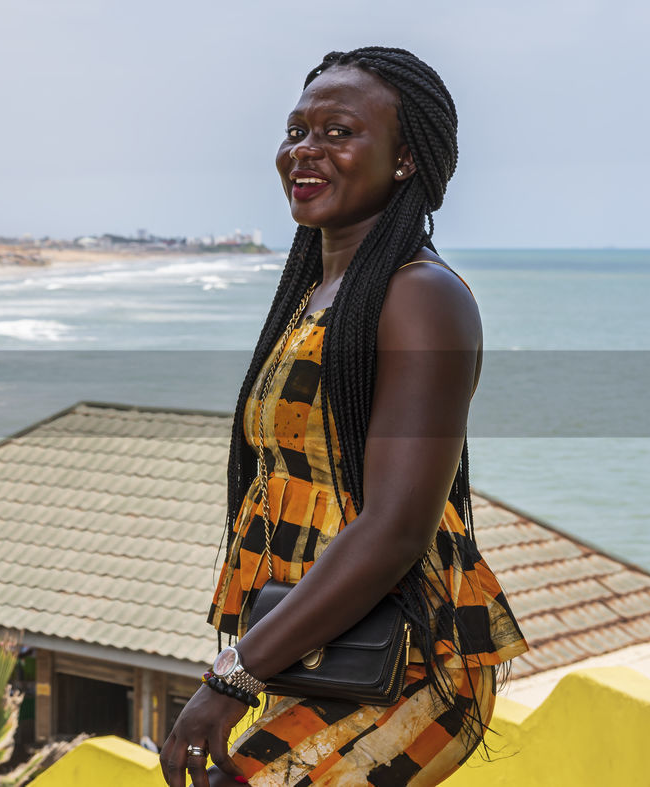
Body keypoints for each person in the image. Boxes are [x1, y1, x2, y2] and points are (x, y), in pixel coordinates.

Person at [160, 47, 529, 787]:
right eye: (297, 129)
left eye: (338, 131)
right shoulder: (321, 295)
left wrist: (230, 676)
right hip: (323, 645)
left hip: (411, 659)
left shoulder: (421, 296)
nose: (305, 149)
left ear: (404, 160)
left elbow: (396, 526)